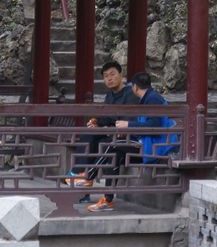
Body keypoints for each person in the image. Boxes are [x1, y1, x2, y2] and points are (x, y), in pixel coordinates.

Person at [86, 71, 177, 213]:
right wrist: (128, 131)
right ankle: (107, 200)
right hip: (148, 144)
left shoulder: (153, 99)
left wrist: (128, 126)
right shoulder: (148, 98)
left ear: (135, 87)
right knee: (115, 154)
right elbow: (145, 126)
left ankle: (88, 177)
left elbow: (155, 127)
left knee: (115, 145)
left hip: (156, 147)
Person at [63, 61, 139, 191]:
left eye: (112, 74)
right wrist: (96, 121)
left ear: (121, 75)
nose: (109, 78)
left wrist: (107, 126)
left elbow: (127, 120)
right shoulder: (110, 95)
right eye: (105, 76)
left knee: (97, 142)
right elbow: (107, 117)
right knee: (89, 135)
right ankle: (81, 177)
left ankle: (81, 176)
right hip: (112, 135)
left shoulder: (130, 94)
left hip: (128, 138)